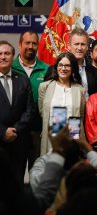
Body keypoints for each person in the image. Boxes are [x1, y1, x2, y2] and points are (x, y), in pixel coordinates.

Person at [12, 30, 49, 169]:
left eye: (34, 43)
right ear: (20, 44)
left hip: (37, 130)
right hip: (15, 130)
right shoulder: (10, 68)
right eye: (27, 43)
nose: (31, 46)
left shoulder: (46, 69)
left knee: (37, 173)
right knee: (14, 175)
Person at [0, 40, 34, 185]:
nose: (3, 57)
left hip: (18, 142)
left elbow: (30, 109)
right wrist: (2, 132)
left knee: (17, 185)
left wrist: (15, 130)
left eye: (7, 53)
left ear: (13, 56)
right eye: (0, 54)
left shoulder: (22, 79)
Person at [38, 52, 86, 156]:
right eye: (61, 65)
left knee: (71, 168)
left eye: (67, 65)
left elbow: (81, 116)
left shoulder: (80, 90)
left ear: (73, 68)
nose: (63, 68)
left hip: (72, 135)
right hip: (51, 136)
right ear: (56, 67)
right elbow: (42, 111)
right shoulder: (44, 87)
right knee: (52, 167)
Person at [68, 27, 97, 97]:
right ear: (69, 46)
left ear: (87, 47)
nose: (79, 48)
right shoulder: (59, 70)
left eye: (83, 44)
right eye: (76, 44)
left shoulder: (95, 72)